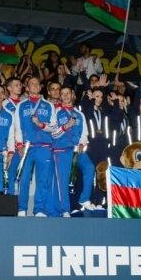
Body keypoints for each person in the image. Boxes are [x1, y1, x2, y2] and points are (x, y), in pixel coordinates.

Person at [14, 75, 58, 217]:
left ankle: (39, 209)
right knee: (24, 178)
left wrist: (40, 124)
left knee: (42, 180)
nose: (34, 85)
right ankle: (22, 208)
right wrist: (19, 145)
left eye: (37, 84)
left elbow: (54, 126)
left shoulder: (49, 105)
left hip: (44, 147)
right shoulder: (21, 105)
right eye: (31, 84)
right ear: (27, 88)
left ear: (40, 87)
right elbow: (17, 127)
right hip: (27, 147)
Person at [50, 86, 84, 217]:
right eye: (62, 94)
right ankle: (64, 210)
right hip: (61, 150)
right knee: (62, 181)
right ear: (60, 96)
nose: (65, 96)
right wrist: (66, 127)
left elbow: (84, 133)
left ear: (72, 94)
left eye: (67, 93)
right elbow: (53, 133)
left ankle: (79, 202)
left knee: (78, 176)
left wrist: (81, 144)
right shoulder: (56, 112)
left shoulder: (79, 114)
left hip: (75, 151)